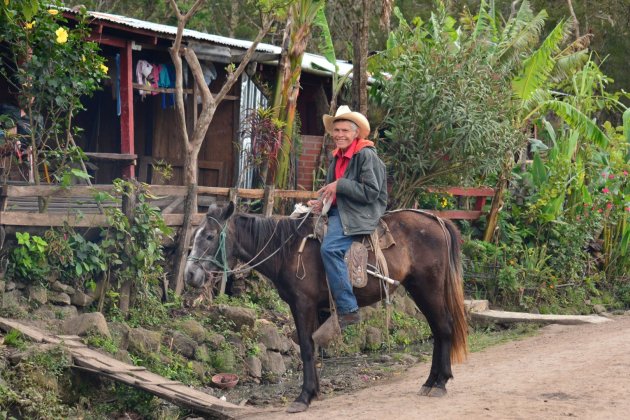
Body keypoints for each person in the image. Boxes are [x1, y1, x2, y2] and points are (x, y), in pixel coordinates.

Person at [308, 105, 388, 329]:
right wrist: (321, 202)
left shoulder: (365, 155)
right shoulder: (337, 157)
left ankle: (347, 308)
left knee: (329, 249)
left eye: (345, 130)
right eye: (336, 130)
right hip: (341, 210)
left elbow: (371, 192)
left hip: (361, 214)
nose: (339, 135)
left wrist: (339, 184)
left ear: (356, 133)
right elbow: (335, 193)